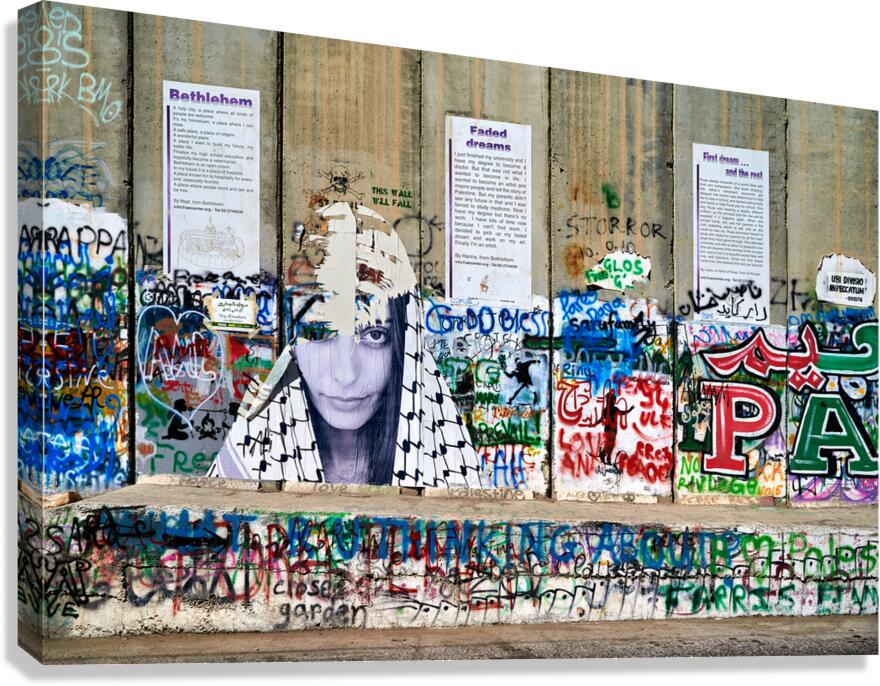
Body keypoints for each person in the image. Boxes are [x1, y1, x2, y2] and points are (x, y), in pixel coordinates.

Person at [208, 201, 484, 488]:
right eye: (320, 331)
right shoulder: (253, 453)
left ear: (403, 348)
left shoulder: (446, 467)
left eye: (375, 336)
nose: (345, 373)